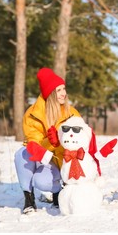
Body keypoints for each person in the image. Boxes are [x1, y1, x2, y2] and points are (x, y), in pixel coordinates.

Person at [14, 67, 81, 214]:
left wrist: (59, 142)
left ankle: (57, 194)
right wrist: (50, 142)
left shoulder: (72, 113)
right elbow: (34, 143)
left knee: (41, 181)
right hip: (41, 156)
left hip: (59, 160)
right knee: (21, 154)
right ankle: (29, 200)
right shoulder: (32, 114)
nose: (64, 93)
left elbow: (80, 142)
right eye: (58, 90)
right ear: (50, 93)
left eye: (64, 89)